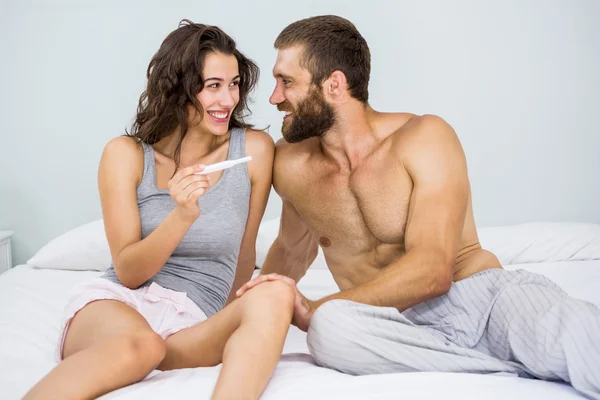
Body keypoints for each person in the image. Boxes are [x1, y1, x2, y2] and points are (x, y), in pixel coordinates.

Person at [237, 15, 600, 399]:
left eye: (287, 82)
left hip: (481, 298)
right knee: (330, 333)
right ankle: (507, 368)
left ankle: (511, 357)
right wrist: (238, 317)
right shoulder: (291, 165)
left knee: (573, 331)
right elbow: (291, 252)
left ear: (334, 84)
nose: (275, 97)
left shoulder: (425, 137)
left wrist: (315, 306)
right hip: (387, 324)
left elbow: (432, 271)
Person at [25, 20, 295, 400]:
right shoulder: (127, 155)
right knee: (142, 346)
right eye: (213, 86)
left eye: (233, 84)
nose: (228, 100)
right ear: (178, 87)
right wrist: (181, 215)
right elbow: (129, 272)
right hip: (119, 305)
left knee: (275, 293)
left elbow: (244, 252)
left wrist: (232, 319)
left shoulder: (253, 150)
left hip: (194, 321)